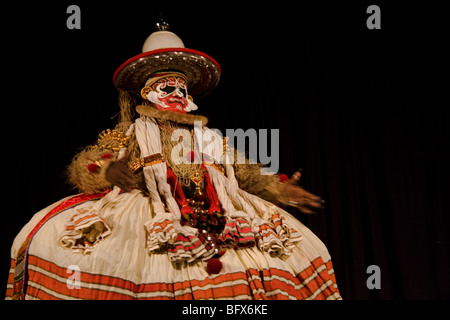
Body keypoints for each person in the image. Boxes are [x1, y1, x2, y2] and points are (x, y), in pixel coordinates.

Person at [5, 22, 341, 300]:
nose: (178, 95)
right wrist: (109, 168)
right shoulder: (133, 132)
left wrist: (279, 189)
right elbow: (90, 161)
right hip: (157, 217)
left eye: (183, 88)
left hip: (219, 216)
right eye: (168, 87)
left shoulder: (210, 139)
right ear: (148, 93)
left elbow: (244, 174)